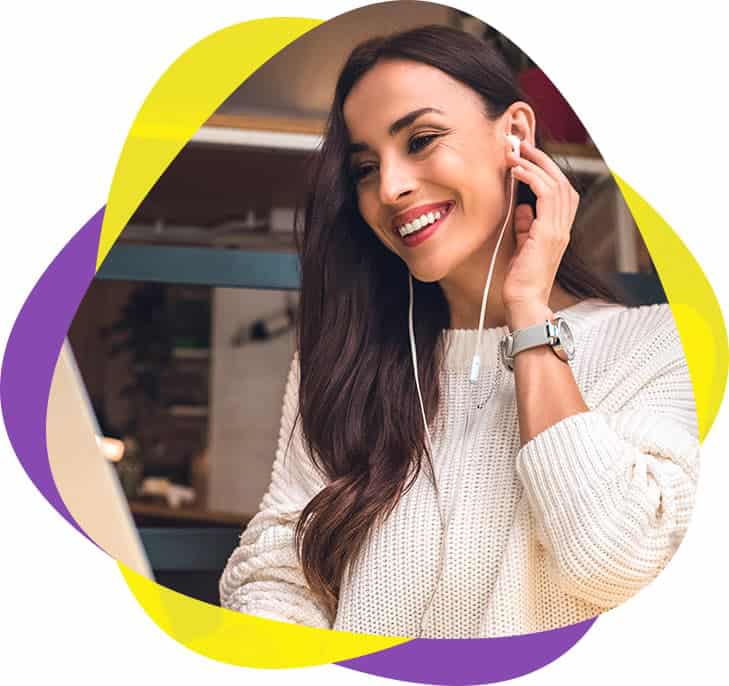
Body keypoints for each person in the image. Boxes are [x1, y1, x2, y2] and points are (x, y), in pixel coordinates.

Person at [219, 25, 699, 639]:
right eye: (365, 168)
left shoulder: (660, 345)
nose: (389, 187)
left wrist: (528, 312)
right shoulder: (348, 359)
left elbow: (615, 561)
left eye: (421, 140)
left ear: (516, 134)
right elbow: (279, 568)